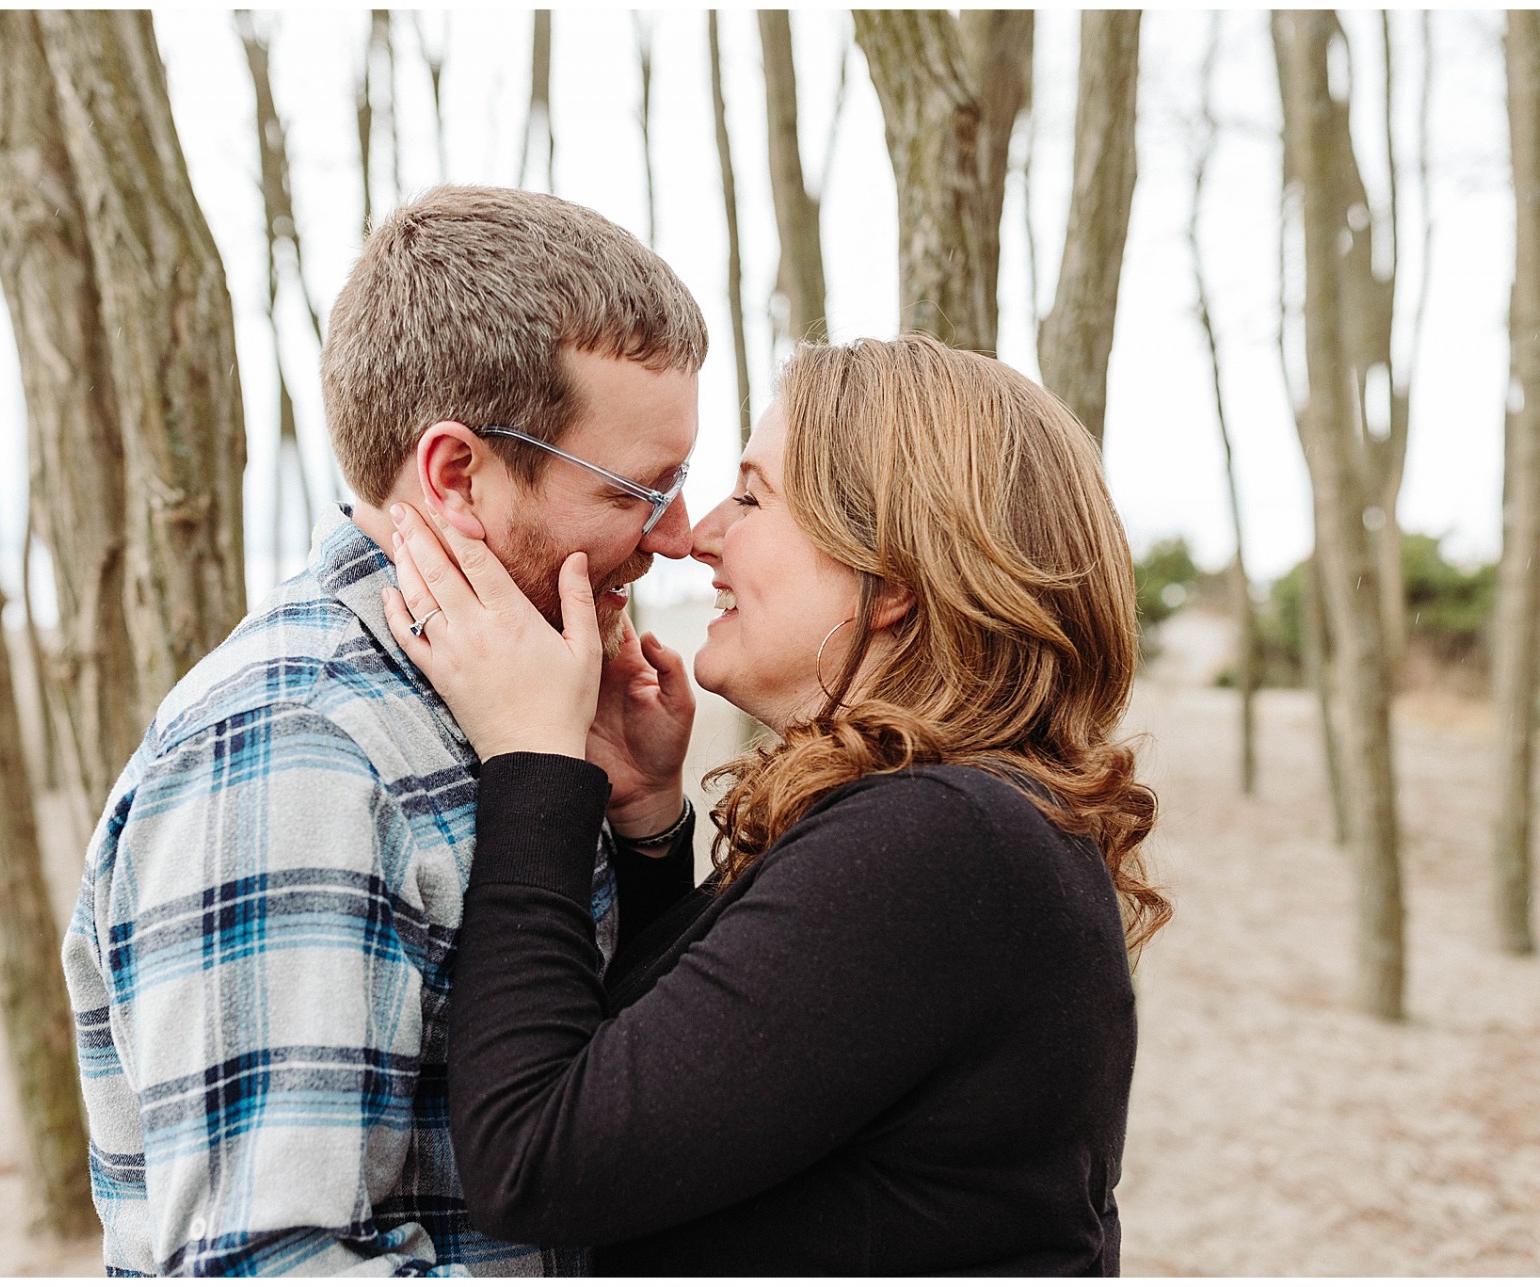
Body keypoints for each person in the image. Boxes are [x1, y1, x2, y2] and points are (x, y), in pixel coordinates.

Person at [380, 334, 1171, 1275]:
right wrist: (645, 824)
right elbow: (702, 1090)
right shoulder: (965, 824)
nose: (697, 532)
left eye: (752, 496)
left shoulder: (945, 843)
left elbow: (537, 1161)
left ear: (892, 579)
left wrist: (533, 761)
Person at [61, 185, 708, 1275]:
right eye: (639, 490)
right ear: (458, 474)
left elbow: (600, 1110)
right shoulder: (297, 747)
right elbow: (267, 1262)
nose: (679, 535)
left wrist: (646, 834)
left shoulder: (526, 698)